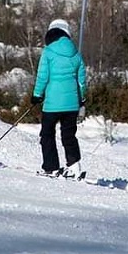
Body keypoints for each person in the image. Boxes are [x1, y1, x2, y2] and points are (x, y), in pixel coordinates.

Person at [32, 19, 87, 176]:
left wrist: (37, 95)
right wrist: (82, 99)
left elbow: (42, 76)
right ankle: (75, 167)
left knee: (47, 134)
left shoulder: (48, 52)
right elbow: (82, 81)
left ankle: (51, 167)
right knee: (69, 135)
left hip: (52, 104)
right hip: (71, 105)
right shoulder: (76, 54)